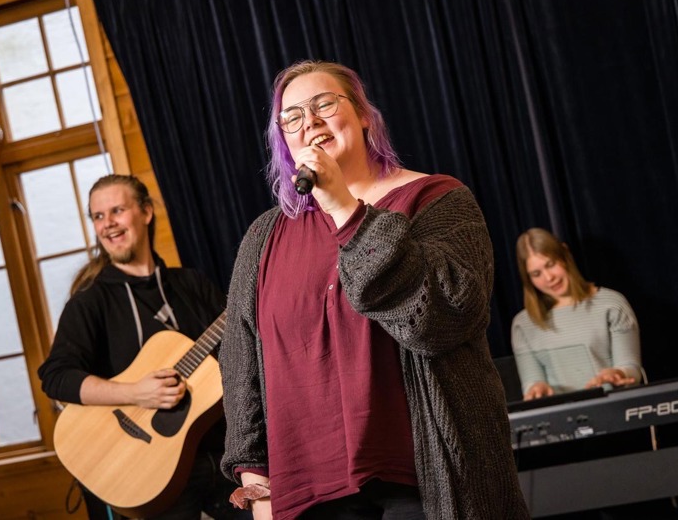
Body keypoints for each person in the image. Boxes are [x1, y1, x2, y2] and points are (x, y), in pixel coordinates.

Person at [218, 60, 529, 520]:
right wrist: (254, 480)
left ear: (364, 115)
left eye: (324, 104)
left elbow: (439, 319)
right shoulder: (265, 237)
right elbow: (241, 359)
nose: (311, 123)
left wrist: (346, 209)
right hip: (309, 493)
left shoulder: (436, 200)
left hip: (424, 481)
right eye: (293, 117)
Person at [38, 174, 247, 520]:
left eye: (117, 211)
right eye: (98, 216)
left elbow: (241, 347)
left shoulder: (190, 284)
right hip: (152, 472)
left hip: (227, 459)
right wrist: (135, 393)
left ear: (146, 212)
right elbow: (56, 377)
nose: (108, 225)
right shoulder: (91, 301)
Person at [511, 227, 643, 400]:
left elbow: (632, 368)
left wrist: (617, 373)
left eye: (550, 265)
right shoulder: (523, 324)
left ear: (565, 255)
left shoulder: (611, 304)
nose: (548, 278)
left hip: (612, 409)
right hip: (561, 422)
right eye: (536, 274)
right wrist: (537, 388)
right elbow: (532, 382)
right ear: (528, 280)